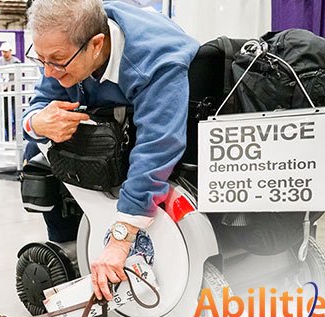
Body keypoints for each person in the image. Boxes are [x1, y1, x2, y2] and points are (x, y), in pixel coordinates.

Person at [22, 0, 199, 301]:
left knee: (147, 164)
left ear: (96, 44)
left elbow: (158, 146)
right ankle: (67, 252)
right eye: (41, 60)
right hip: (108, 116)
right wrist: (37, 122)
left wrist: (120, 239)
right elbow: (38, 104)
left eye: (57, 61)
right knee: (34, 156)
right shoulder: (62, 44)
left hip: (158, 123)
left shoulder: (156, 58)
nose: (49, 72)